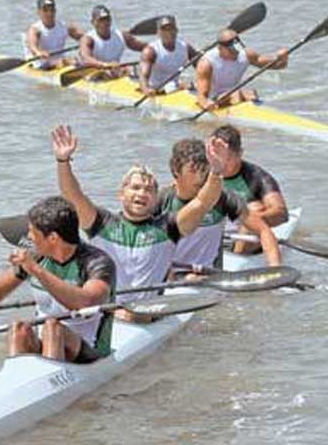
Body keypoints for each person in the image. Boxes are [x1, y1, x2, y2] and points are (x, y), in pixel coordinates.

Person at [50, 124, 234, 317]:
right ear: (121, 194)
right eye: (136, 188)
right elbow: (73, 195)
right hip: (107, 311)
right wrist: (63, 161)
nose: (142, 193)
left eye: (148, 190)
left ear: (156, 199)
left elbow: (203, 202)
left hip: (147, 314)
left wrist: (216, 172)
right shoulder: (102, 223)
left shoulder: (168, 228)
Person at [0, 196, 115, 364]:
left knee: (53, 327)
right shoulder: (36, 257)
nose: (29, 238)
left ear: (53, 238)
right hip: (47, 341)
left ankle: (49, 379)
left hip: (90, 350)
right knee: (19, 328)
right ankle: (18, 375)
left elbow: (86, 302)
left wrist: (36, 271)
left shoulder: (97, 262)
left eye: (32, 232)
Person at [156, 137, 282, 268]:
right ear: (176, 170)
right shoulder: (161, 201)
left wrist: (276, 269)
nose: (200, 177)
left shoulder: (223, 198)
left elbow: (263, 231)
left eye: (204, 170)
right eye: (193, 170)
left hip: (211, 277)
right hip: (172, 278)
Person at [210, 124, 289, 255]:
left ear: (240, 154)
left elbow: (281, 213)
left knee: (255, 207)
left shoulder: (257, 177)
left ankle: (236, 256)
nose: (222, 163)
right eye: (218, 157)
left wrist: (249, 220)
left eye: (228, 158)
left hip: (244, 237)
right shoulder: (202, 173)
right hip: (214, 232)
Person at [195, 29, 289, 112]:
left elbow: (279, 65)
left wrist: (283, 59)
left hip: (234, 94)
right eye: (231, 51)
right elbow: (201, 96)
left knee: (251, 93)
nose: (235, 54)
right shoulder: (206, 63)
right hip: (215, 98)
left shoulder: (246, 54)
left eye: (236, 50)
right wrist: (206, 104)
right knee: (237, 94)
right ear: (220, 48)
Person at [78, 5, 149, 80]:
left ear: (111, 20)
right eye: (101, 20)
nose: (104, 23)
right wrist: (105, 65)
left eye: (107, 19)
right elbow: (86, 58)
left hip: (115, 70)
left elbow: (146, 48)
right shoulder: (88, 39)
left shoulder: (121, 36)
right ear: (93, 22)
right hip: (93, 72)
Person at [138, 15, 200, 96]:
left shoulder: (186, 47)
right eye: (164, 29)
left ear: (177, 30)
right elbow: (143, 76)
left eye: (171, 29)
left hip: (174, 88)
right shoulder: (150, 51)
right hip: (156, 90)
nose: (169, 32)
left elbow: (202, 67)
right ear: (158, 33)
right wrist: (146, 89)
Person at [24, 0, 84, 70]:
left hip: (59, 62)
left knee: (79, 60)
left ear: (55, 11)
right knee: (66, 61)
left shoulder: (63, 26)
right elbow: (32, 46)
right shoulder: (35, 29)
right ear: (38, 12)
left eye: (52, 10)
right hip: (39, 64)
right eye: (45, 10)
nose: (49, 13)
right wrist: (38, 52)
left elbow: (85, 37)